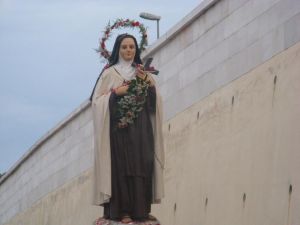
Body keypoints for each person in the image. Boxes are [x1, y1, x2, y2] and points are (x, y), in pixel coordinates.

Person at [90, 33, 164, 223]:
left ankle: (141, 209)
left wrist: (147, 84)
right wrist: (116, 92)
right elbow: (97, 102)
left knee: (142, 165)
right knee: (122, 168)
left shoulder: (143, 73)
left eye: (132, 47)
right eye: (124, 47)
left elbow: (154, 103)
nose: (128, 50)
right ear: (118, 49)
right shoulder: (109, 73)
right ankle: (122, 211)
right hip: (119, 130)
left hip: (141, 129)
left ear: (136, 50)